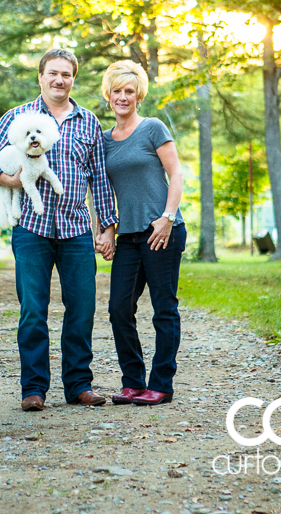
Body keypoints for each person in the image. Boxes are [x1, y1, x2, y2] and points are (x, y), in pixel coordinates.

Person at [0, 48, 117, 412]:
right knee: (33, 310)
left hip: (75, 230)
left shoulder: (87, 122)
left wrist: (108, 227)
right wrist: (9, 180)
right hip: (31, 230)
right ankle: (33, 389)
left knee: (82, 309)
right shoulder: (19, 116)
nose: (59, 80)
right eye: (53, 73)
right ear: (40, 77)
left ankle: (79, 386)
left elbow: (98, 178)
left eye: (66, 74)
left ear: (73, 79)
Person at [96, 60, 186, 406]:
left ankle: (161, 384)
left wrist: (167, 217)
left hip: (161, 231)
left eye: (129, 91)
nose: (122, 97)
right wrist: (104, 230)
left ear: (138, 95)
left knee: (164, 309)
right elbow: (99, 190)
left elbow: (175, 175)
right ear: (108, 94)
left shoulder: (152, 128)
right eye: (117, 91)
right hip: (128, 237)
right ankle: (133, 381)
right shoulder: (103, 141)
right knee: (119, 307)